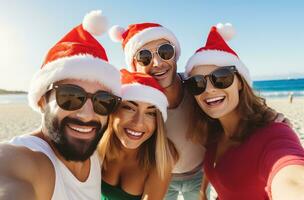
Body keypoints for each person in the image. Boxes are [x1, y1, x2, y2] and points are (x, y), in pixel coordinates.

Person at [0, 10, 122, 199]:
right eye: (70, 96)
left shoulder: (96, 153)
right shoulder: (25, 160)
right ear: (42, 101)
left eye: (103, 101)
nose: (87, 114)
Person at [183, 23, 304, 200]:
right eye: (197, 83)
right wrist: (202, 193)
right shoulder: (213, 130)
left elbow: (291, 176)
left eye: (221, 77)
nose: (208, 89)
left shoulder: (274, 134)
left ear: (240, 82)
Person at [109, 22, 206, 200]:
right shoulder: (137, 102)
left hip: (199, 174)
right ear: (134, 66)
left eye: (165, 51)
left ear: (175, 55)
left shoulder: (198, 87)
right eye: (144, 57)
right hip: (159, 176)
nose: (158, 63)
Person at [99, 69, 179, 200]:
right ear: (113, 111)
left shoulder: (160, 160)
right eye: (130, 108)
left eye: (150, 113)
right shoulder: (95, 145)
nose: (138, 123)